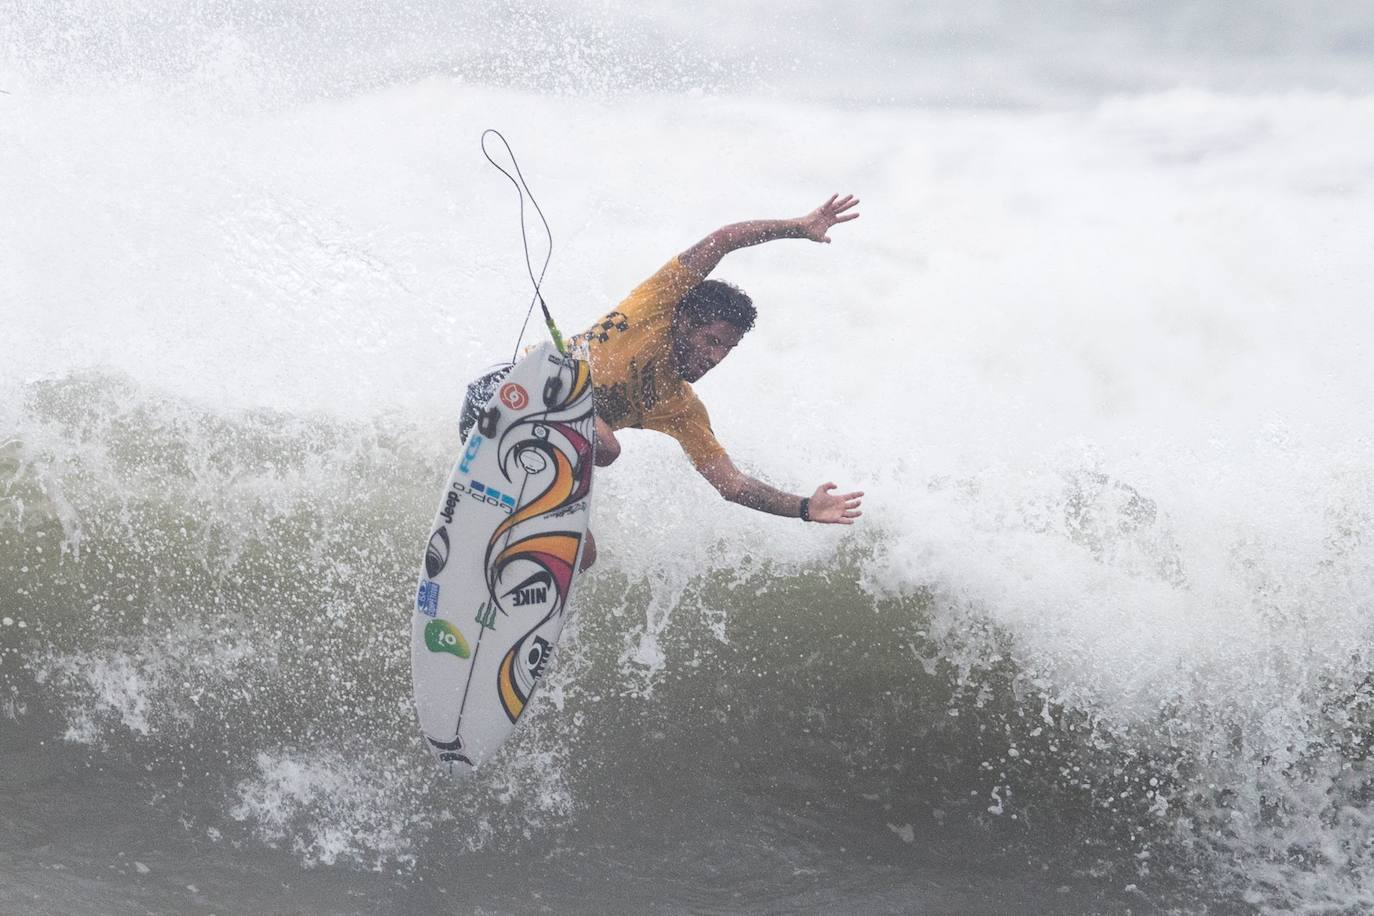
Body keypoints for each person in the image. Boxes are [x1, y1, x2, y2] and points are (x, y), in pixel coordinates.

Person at [570, 194, 865, 569]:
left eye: (726, 349)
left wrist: (805, 507)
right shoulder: (658, 304)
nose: (715, 358)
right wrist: (798, 227)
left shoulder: (679, 407)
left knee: (584, 556)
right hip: (515, 394)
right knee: (607, 447)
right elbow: (723, 239)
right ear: (684, 321)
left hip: (554, 455)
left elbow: (733, 485)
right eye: (711, 341)